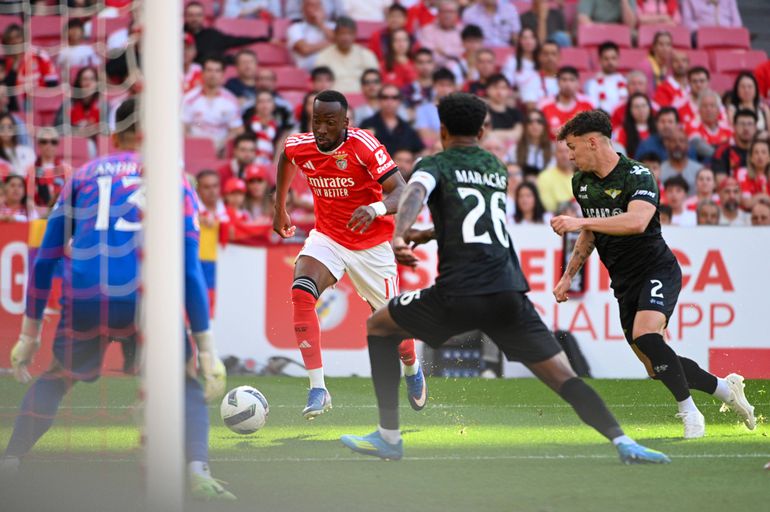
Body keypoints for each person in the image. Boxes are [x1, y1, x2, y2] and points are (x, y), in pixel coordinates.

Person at [340, 92, 670, 464]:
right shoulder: (495, 168)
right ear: (483, 130)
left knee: (379, 325)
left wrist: (401, 233)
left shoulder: (435, 164)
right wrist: (431, 234)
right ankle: (624, 442)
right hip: (509, 294)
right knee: (563, 376)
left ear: (443, 129)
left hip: (459, 293)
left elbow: (414, 192)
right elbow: (473, 222)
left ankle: (389, 436)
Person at [0, 99, 234, 500]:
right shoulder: (173, 181)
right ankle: (198, 471)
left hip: (87, 291)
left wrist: (29, 333)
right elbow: (190, 271)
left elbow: (45, 260)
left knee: (57, 377)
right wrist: (207, 348)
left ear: (113, 135)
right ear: (157, 136)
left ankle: (9, 462)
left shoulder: (83, 175)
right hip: (146, 297)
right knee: (186, 382)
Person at [552, 110, 755, 438]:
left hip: (657, 269)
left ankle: (690, 413)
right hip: (623, 281)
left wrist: (580, 221)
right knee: (655, 367)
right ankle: (725, 390)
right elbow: (590, 234)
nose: (570, 155)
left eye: (573, 147)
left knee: (647, 335)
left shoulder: (637, 174)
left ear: (593, 142)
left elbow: (637, 221)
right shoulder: (582, 183)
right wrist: (567, 276)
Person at [273, 90, 426, 419]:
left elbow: (404, 190)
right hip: (328, 236)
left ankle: (412, 369)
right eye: (316, 121)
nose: (322, 129)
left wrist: (375, 207)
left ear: (346, 122)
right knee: (301, 292)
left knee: (392, 326)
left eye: (330, 122)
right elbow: (287, 157)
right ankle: (318, 387)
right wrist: (279, 207)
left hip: (372, 245)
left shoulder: (363, 146)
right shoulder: (301, 145)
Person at [182, 56, 244, 157]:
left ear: (223, 75)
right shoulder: (189, 99)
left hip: (220, 153)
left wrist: (224, 145)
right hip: (194, 151)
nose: (213, 74)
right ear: (202, 73)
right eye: (209, 70)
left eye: (217, 71)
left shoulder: (231, 101)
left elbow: (237, 130)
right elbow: (183, 127)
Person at [183, 0, 268, 63]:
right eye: (191, 15)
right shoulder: (175, 35)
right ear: (185, 17)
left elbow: (237, 40)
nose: (194, 19)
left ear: (203, 17)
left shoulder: (212, 35)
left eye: (198, 15)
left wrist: (264, 39)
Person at [315, 17, 380, 94]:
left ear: (355, 34)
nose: (346, 37)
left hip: (363, 99)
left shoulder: (366, 55)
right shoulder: (324, 55)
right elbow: (319, 84)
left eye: (349, 33)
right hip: (333, 100)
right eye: (342, 33)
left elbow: (376, 82)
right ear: (335, 34)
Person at [360, 84, 425, 156]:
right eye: (385, 97)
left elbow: (420, 151)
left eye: (394, 98)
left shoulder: (407, 128)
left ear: (400, 101)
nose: (389, 101)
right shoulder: (366, 124)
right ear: (379, 100)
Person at [538, 66, 594, 139]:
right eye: (564, 80)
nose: (568, 84)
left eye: (572, 80)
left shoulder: (589, 104)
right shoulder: (544, 105)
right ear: (557, 82)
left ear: (578, 83)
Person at [287, 0, 336, 72]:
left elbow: (340, 43)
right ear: (303, 9)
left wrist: (321, 24)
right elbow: (305, 49)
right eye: (311, 5)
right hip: (307, 72)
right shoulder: (295, 28)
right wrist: (330, 43)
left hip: (332, 71)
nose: (315, 8)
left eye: (318, 5)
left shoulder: (333, 26)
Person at [584, 42, 628, 114]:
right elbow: (592, 107)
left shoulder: (626, 82)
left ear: (618, 59)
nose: (610, 62)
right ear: (600, 60)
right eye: (606, 59)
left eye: (613, 58)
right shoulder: (592, 84)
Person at [711, 109, 758, 177]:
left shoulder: (763, 151)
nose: (746, 128)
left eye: (750, 124)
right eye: (742, 124)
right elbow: (721, 182)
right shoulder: (722, 151)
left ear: (755, 128)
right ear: (734, 126)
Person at [416, 0, 463, 68]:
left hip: (458, 70)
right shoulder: (427, 30)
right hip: (433, 70)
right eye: (444, 12)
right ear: (438, 13)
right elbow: (429, 55)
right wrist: (452, 54)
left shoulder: (462, 31)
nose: (447, 15)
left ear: (457, 14)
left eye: (451, 12)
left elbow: (462, 54)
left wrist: (443, 52)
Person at [613, 93, 656, 159]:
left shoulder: (658, 128)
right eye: (637, 107)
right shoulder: (623, 131)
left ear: (649, 108)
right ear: (630, 110)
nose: (641, 110)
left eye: (644, 106)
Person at [537, 141, 574, 212]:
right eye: (560, 151)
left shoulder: (579, 177)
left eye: (567, 151)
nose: (564, 155)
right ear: (554, 154)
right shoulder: (544, 177)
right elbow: (549, 206)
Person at [735, 138, 770, 210]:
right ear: (751, 158)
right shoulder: (743, 174)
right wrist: (763, 196)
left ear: (769, 158)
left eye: (763, 152)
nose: (760, 156)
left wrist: (756, 198)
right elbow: (746, 204)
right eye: (756, 152)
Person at [640, 31, 673, 95]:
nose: (665, 48)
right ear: (653, 47)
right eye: (661, 44)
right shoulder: (645, 66)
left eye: (668, 44)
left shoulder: (672, 66)